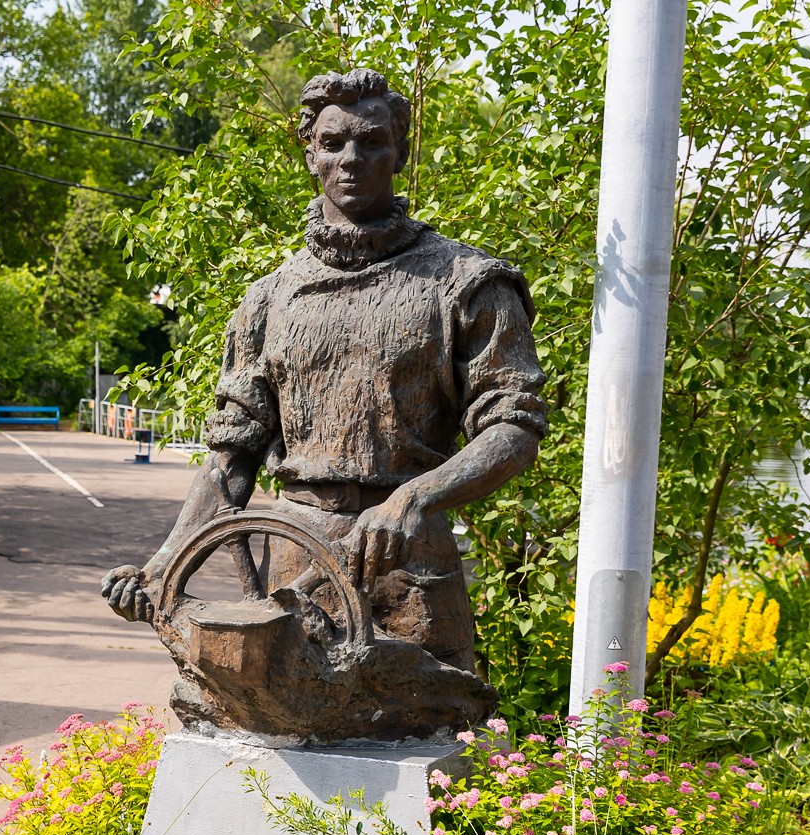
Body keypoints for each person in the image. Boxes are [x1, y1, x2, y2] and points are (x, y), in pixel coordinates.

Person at [102, 68, 546, 674]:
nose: (352, 160)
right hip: (297, 567)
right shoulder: (270, 299)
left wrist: (413, 498)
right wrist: (162, 569)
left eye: (372, 142)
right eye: (333, 143)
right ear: (311, 156)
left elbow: (513, 429)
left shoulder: (467, 282)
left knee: (426, 719)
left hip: (411, 565)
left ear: (400, 152)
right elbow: (231, 460)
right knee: (276, 718)